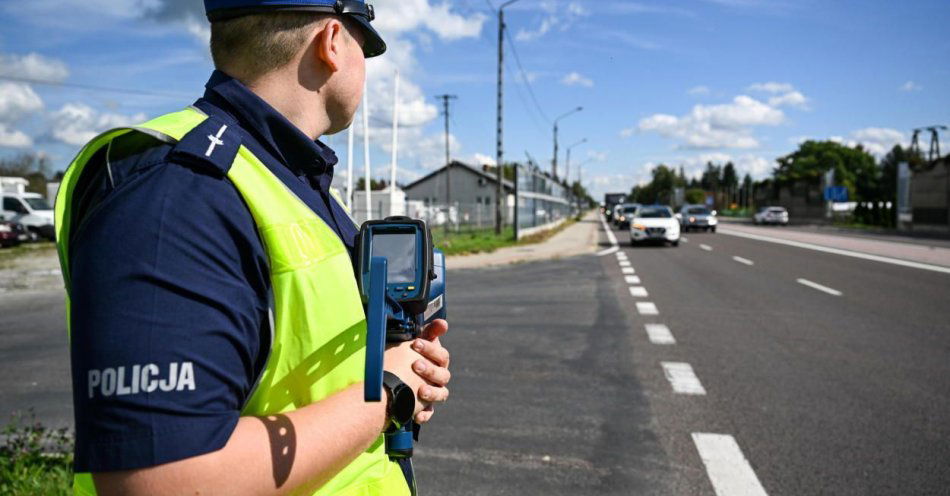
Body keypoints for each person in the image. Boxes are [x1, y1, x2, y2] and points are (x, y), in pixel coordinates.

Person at [53, 1, 452, 494]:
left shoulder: (286, 180)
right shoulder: (180, 192)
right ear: (331, 43)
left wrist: (393, 364)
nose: (365, 68)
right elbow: (167, 482)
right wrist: (387, 396)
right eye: (364, 48)